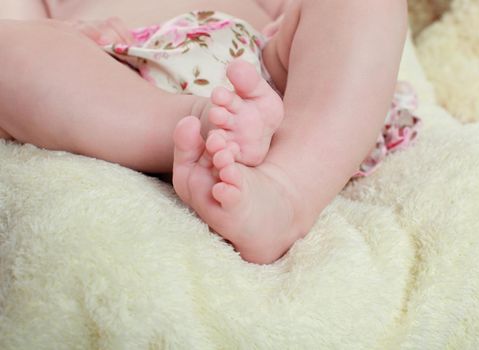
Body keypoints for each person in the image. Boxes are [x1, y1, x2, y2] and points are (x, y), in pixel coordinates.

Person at [0, 0, 417, 264]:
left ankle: (287, 190)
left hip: (263, 77)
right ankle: (201, 127)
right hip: (121, 81)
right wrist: (68, 35)